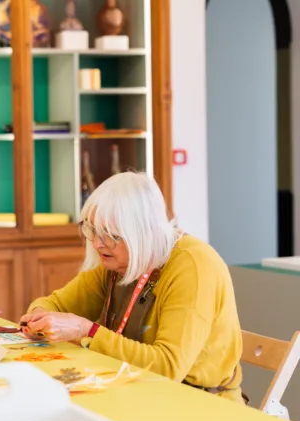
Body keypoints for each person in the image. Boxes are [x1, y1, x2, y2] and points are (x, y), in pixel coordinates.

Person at [20, 171, 245, 404]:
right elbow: (55, 304)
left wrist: (88, 331)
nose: (97, 243)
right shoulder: (116, 260)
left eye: (109, 234)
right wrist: (39, 317)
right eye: (93, 230)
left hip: (198, 402)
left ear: (141, 233)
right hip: (138, 391)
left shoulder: (193, 266)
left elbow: (168, 367)